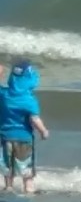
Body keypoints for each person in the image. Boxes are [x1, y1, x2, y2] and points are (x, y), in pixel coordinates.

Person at [0, 60, 49, 193]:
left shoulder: (4, 95)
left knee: (7, 166)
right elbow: (34, 119)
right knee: (26, 170)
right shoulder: (29, 100)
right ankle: (28, 190)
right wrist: (43, 131)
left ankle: (8, 187)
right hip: (24, 139)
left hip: (5, 137)